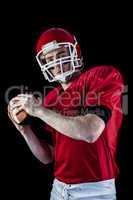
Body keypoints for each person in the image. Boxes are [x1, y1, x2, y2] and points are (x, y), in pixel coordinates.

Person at [8, 28, 124, 200]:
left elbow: (90, 132)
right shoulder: (51, 98)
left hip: (95, 189)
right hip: (59, 188)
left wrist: (39, 111)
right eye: (49, 59)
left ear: (74, 52)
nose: (56, 63)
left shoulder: (101, 76)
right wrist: (24, 131)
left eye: (61, 54)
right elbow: (48, 156)